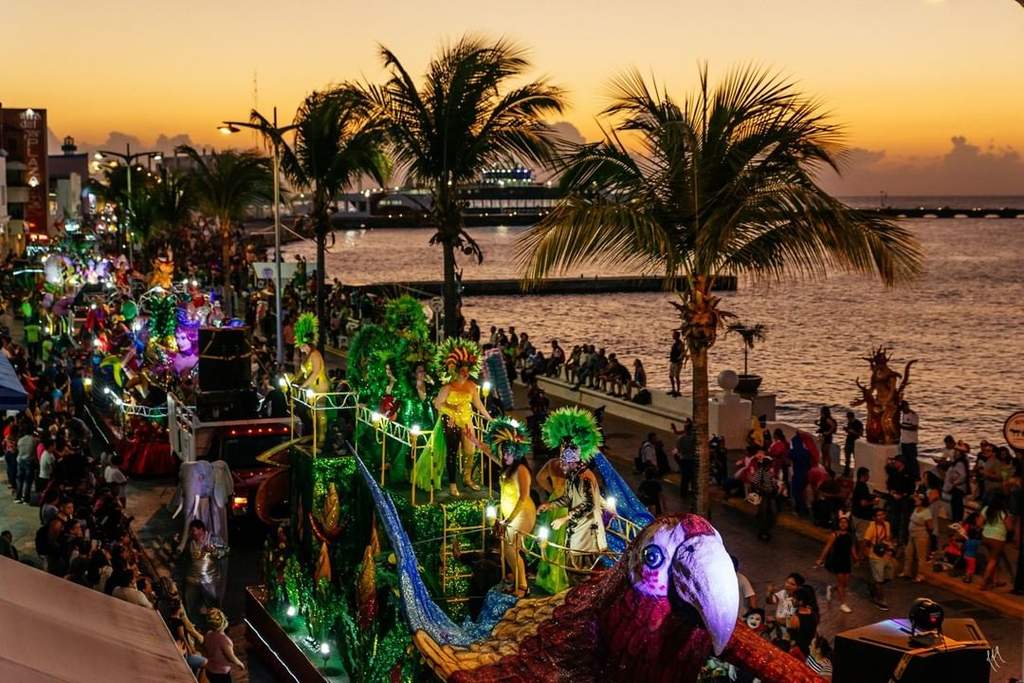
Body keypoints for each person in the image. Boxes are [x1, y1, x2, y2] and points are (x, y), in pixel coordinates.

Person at [413, 339, 492, 498]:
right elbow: (437, 404)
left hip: (467, 421)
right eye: (463, 370)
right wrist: (451, 408)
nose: (465, 373)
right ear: (456, 371)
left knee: (471, 451)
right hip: (451, 421)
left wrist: (490, 418)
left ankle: (468, 478)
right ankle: (453, 485)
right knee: (452, 452)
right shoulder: (447, 387)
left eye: (467, 370)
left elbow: (479, 405)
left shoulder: (471, 386)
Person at [538, 407, 606, 571]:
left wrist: (565, 518)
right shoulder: (573, 476)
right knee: (573, 569)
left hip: (587, 536)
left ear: (573, 461)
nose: (561, 465)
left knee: (584, 573)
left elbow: (588, 505)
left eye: (564, 462)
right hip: (576, 531)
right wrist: (551, 505)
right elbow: (568, 498)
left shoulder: (585, 477)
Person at [477, 418, 536, 597]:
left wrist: (507, 520)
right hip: (509, 514)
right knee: (506, 548)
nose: (504, 456)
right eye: (503, 453)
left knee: (511, 548)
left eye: (508, 453)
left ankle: (523, 586)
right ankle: (517, 578)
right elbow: (490, 453)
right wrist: (474, 441)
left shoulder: (522, 471)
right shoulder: (507, 467)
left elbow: (524, 497)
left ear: (517, 453)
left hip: (522, 514)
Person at [533, 457, 569, 595]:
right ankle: (555, 581)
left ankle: (544, 577)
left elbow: (539, 477)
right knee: (557, 542)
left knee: (548, 540)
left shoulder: (552, 463)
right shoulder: (570, 465)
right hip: (564, 505)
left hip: (553, 500)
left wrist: (552, 490)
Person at [183, 519, 227, 624]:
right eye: (191, 531)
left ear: (201, 530)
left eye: (194, 530)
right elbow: (187, 559)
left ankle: (218, 627)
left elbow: (226, 551)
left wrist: (214, 551)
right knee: (191, 606)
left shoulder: (213, 539)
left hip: (209, 581)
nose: (192, 533)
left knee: (213, 607)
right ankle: (196, 626)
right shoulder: (191, 541)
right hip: (193, 580)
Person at [816, 513, 857, 613]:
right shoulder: (834, 535)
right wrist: (821, 559)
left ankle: (832, 588)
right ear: (838, 524)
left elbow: (852, 548)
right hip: (837, 561)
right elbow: (827, 547)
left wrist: (856, 558)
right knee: (841, 584)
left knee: (845, 583)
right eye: (841, 522)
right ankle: (843, 604)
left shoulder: (850, 536)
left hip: (846, 561)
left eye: (845, 522)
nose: (843, 524)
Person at [862, 507, 894, 610]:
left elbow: (888, 538)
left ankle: (873, 586)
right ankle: (880, 600)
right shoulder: (871, 528)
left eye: (882, 514)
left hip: (885, 554)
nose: (881, 517)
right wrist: (864, 554)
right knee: (879, 580)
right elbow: (865, 542)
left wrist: (890, 547)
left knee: (889, 575)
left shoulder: (887, 525)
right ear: (874, 518)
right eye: (879, 515)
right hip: (875, 556)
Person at [979, 497, 1014, 591]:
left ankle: (995, 580)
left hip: (985, 536)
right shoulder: (1004, 513)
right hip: (998, 539)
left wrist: (988, 528)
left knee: (993, 559)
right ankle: (984, 582)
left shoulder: (986, 509)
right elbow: (1010, 528)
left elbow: (979, 523)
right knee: (993, 560)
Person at [203, 608, 245, 683]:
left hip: (210, 669)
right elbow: (230, 657)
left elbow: (205, 648)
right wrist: (239, 663)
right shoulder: (224, 640)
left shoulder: (208, 634)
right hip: (221, 673)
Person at [900, 493, 933, 582]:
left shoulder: (927, 512)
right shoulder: (916, 508)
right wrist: (916, 496)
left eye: (918, 499)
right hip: (912, 535)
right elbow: (912, 497)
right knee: (908, 553)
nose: (916, 500)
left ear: (922, 502)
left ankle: (920, 575)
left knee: (921, 557)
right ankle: (907, 572)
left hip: (921, 536)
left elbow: (930, 526)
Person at [787, 584, 819, 658]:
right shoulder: (813, 613)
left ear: (801, 602)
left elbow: (791, 637)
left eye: (794, 598)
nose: (792, 600)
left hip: (798, 653)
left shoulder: (795, 618)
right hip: (809, 651)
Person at [943, 441, 971, 523]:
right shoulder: (961, 461)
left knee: (957, 505)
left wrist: (955, 483)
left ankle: (957, 520)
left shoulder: (960, 463)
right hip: (957, 487)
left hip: (957, 487)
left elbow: (963, 476)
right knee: (956, 504)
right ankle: (956, 520)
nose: (955, 452)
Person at [671, 420, 696, 499]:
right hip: (692, 459)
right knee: (693, 476)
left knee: (684, 478)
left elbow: (678, 450)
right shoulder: (694, 438)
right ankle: (693, 491)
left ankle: (683, 493)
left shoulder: (680, 439)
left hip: (684, 459)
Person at [851, 467, 877, 539]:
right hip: (861, 516)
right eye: (867, 475)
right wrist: (873, 502)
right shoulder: (861, 487)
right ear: (863, 476)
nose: (869, 476)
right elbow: (863, 503)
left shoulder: (859, 485)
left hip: (857, 514)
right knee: (862, 537)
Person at [898, 400, 920, 482]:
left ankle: (916, 476)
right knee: (906, 459)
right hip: (904, 441)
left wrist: (902, 427)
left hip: (911, 442)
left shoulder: (913, 415)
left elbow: (914, 427)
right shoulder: (903, 415)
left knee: (913, 460)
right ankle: (908, 474)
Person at [816, 407, 837, 474]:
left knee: (826, 452)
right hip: (823, 436)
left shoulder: (827, 419)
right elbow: (823, 426)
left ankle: (828, 467)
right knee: (823, 451)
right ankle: (824, 465)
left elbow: (833, 426)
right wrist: (817, 424)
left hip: (827, 437)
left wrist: (828, 432)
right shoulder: (822, 418)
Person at [842, 411, 863, 476]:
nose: (848, 419)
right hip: (848, 441)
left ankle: (857, 472)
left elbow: (860, 434)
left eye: (849, 418)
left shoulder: (858, 423)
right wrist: (847, 430)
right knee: (847, 459)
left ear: (852, 417)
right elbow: (849, 432)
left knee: (856, 458)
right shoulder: (849, 423)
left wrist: (852, 431)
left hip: (855, 442)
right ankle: (846, 472)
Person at [668, 330, 684, 397]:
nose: (672, 336)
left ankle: (678, 390)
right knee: (671, 376)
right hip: (673, 361)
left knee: (676, 376)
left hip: (677, 362)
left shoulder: (680, 344)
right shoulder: (675, 343)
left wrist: (679, 358)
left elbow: (682, 352)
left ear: (677, 336)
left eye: (674, 335)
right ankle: (673, 389)